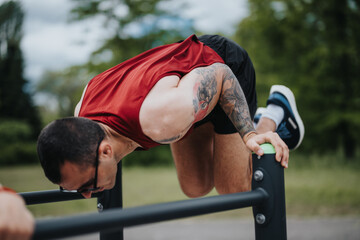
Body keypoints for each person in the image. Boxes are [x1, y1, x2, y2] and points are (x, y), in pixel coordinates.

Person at [37, 34, 304, 199]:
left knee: (234, 189)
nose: (86, 196)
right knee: (195, 187)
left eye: (87, 186)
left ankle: (274, 113)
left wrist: (250, 135)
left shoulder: (162, 119)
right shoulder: (83, 117)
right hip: (181, 90)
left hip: (221, 70)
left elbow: (221, 75)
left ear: (106, 152)